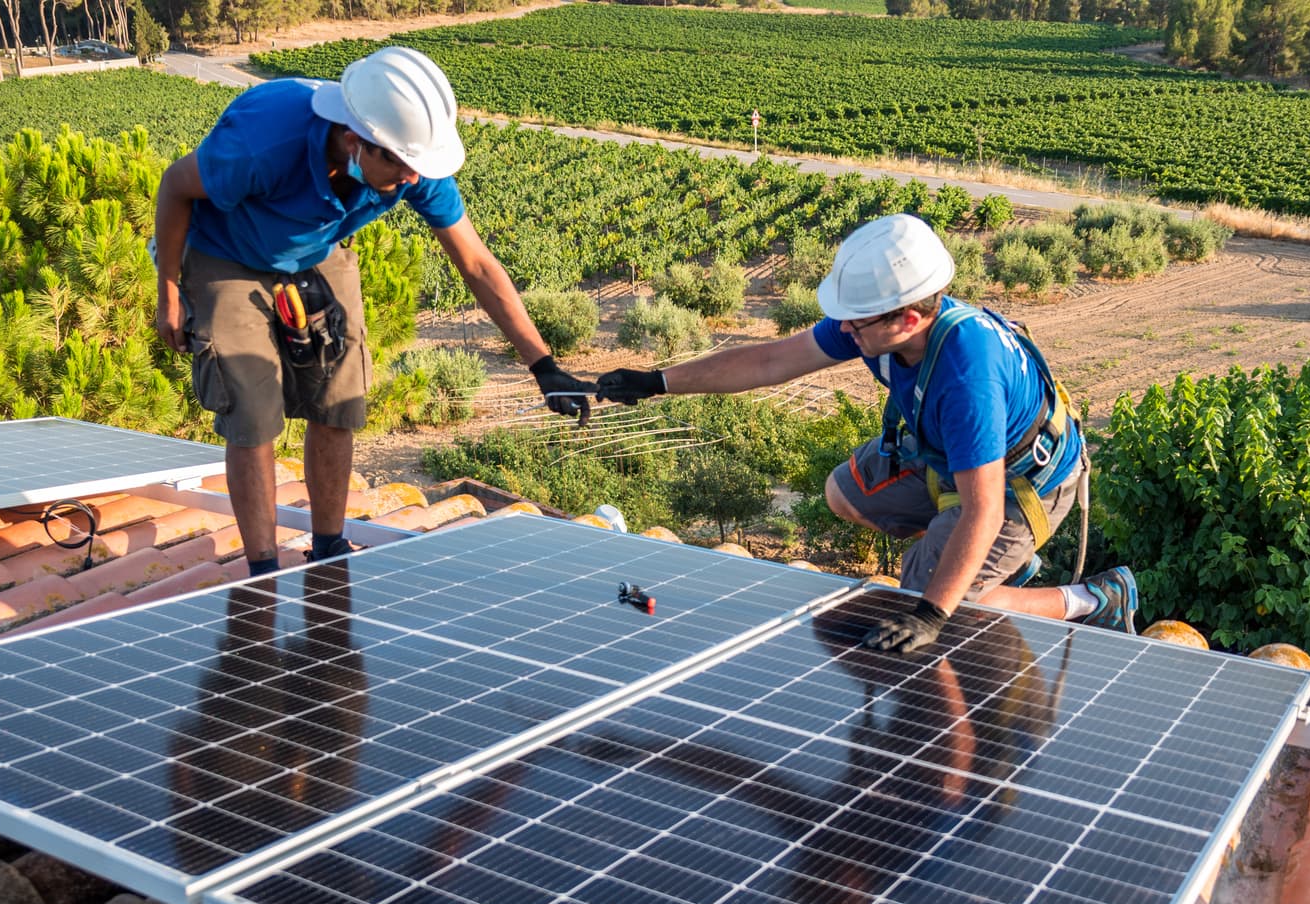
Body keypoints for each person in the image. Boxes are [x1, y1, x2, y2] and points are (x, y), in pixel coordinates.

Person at [596, 213, 1138, 655]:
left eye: (857, 324)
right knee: (842, 493)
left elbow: (985, 510)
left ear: (906, 319)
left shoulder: (966, 376)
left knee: (932, 600)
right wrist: (656, 382)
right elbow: (769, 361)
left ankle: (1090, 599)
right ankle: (971, 561)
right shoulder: (877, 323)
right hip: (950, 460)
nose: (845, 333)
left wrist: (929, 612)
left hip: (1022, 487)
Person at [153, 46, 591, 575]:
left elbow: (475, 262)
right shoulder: (265, 139)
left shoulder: (412, 161)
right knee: (252, 412)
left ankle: (329, 547)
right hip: (225, 252)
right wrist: (170, 293)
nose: (412, 180)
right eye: (401, 167)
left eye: (417, 168)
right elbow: (176, 187)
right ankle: (264, 570)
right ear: (356, 140)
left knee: (340, 398)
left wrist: (542, 366)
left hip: (313, 252)